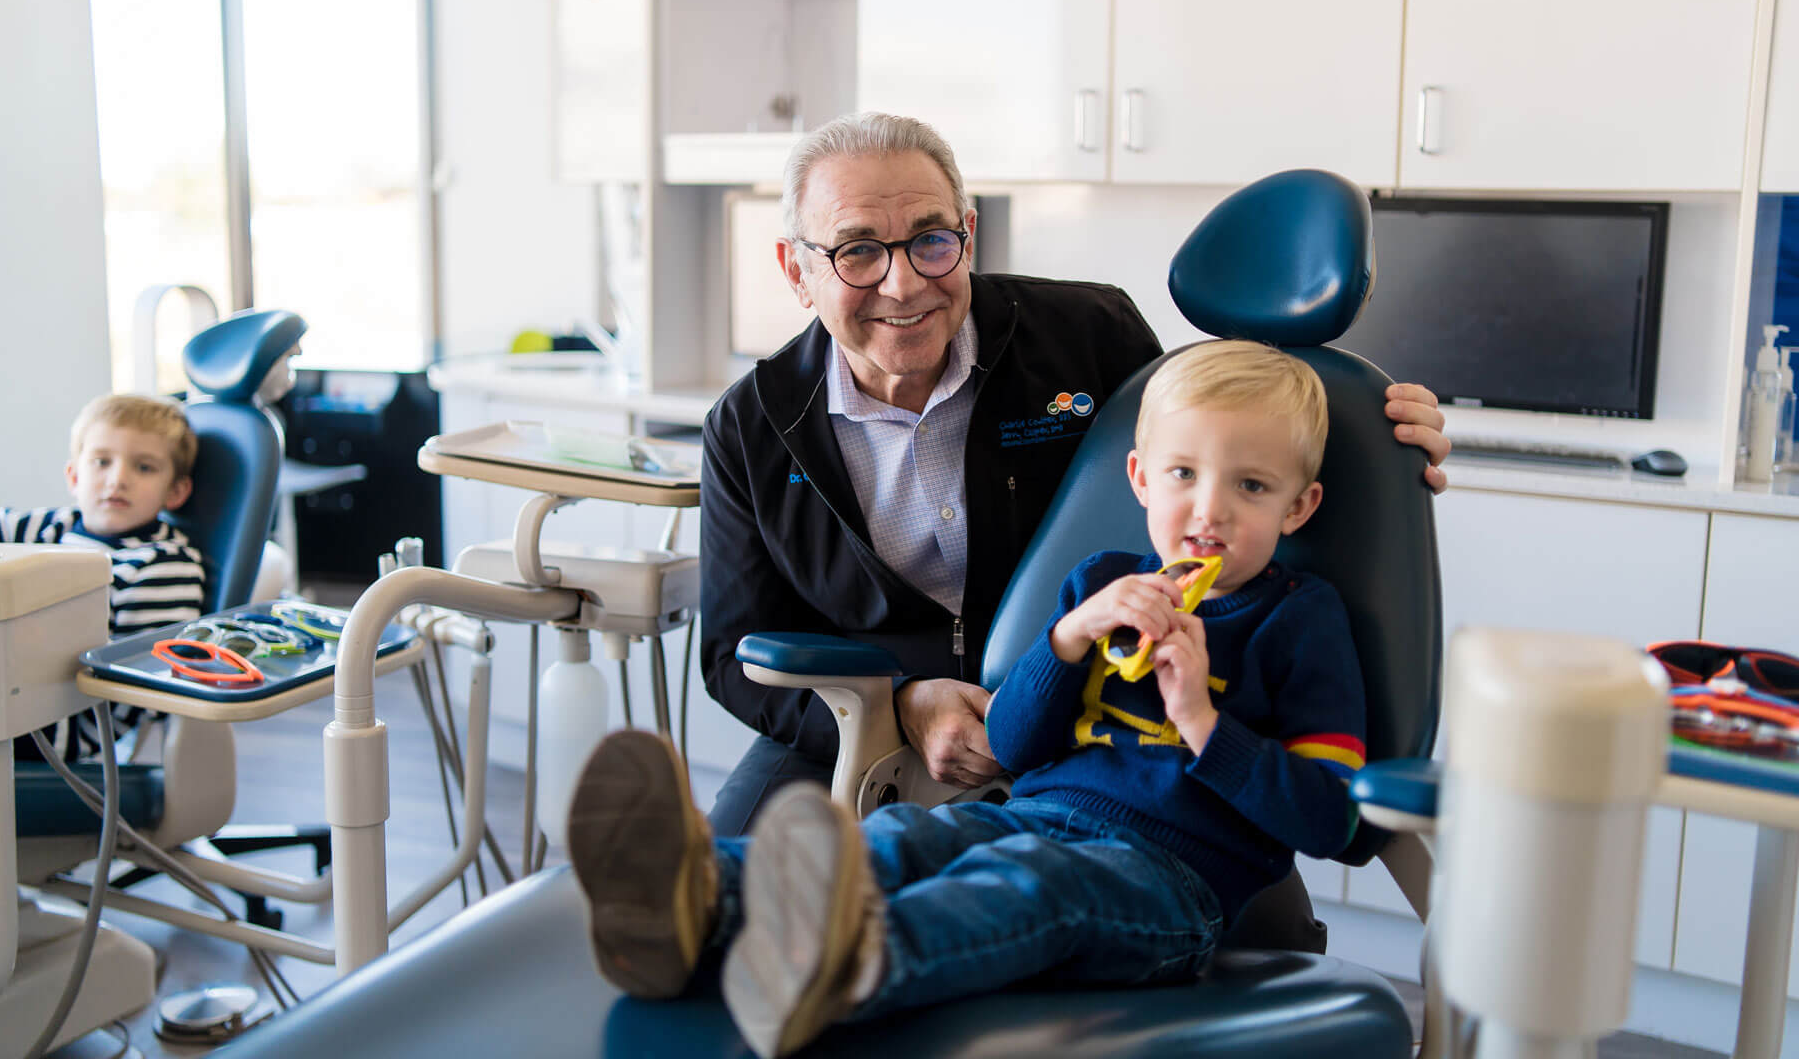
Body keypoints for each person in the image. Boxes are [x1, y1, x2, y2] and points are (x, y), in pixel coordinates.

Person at [572, 339, 1364, 1058]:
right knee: (908, 841)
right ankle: (693, 896)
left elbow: (1329, 818)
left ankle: (841, 966)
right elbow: (1014, 747)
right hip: (1028, 815)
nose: (1209, 510)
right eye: (1184, 475)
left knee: (1029, 888)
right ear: (1141, 478)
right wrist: (1067, 641)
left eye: (1251, 486)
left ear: (1297, 508)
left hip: (1170, 885)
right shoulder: (1099, 585)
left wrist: (1200, 721)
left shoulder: (1298, 620)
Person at [700, 110, 1447, 833]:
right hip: (864, 717)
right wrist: (905, 702)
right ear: (796, 269)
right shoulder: (752, 427)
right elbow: (732, 656)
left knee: (1234, 921)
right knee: (722, 903)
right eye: (857, 251)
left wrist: (1379, 437)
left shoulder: (1087, 338)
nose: (902, 285)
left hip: (1096, 718)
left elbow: (1225, 446)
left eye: (931, 241)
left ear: (967, 233)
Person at [0, 392, 205, 636]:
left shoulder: (165, 567)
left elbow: (142, 663)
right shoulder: (52, 525)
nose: (117, 480)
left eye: (144, 467)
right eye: (102, 462)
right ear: (75, 477)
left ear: (174, 491)